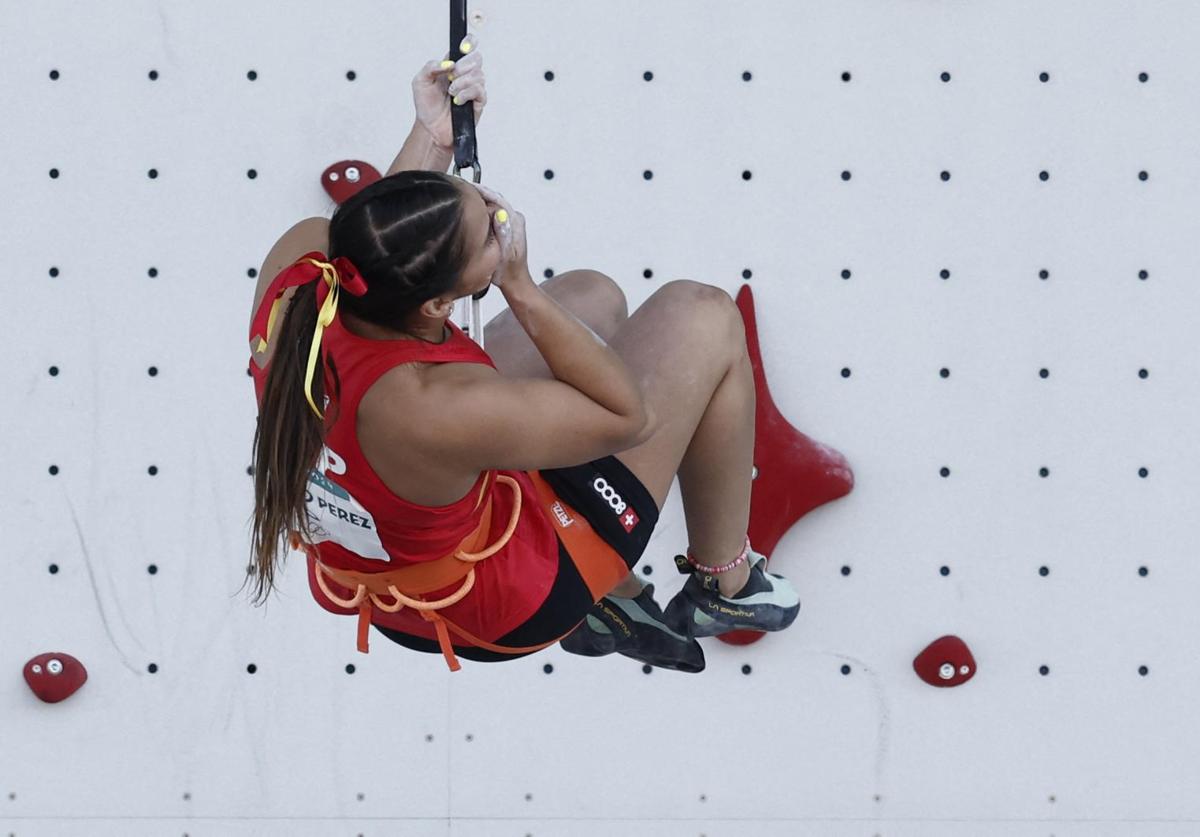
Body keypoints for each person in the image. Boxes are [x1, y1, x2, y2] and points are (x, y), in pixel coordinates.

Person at [245, 170, 800, 673]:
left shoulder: (298, 283)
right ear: (438, 306)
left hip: (374, 561)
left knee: (591, 295)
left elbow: (382, 235)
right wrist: (520, 285)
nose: (498, 213)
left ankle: (623, 594)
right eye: (488, 232)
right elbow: (627, 417)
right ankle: (723, 582)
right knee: (703, 313)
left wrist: (432, 135)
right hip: (496, 603)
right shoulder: (433, 405)